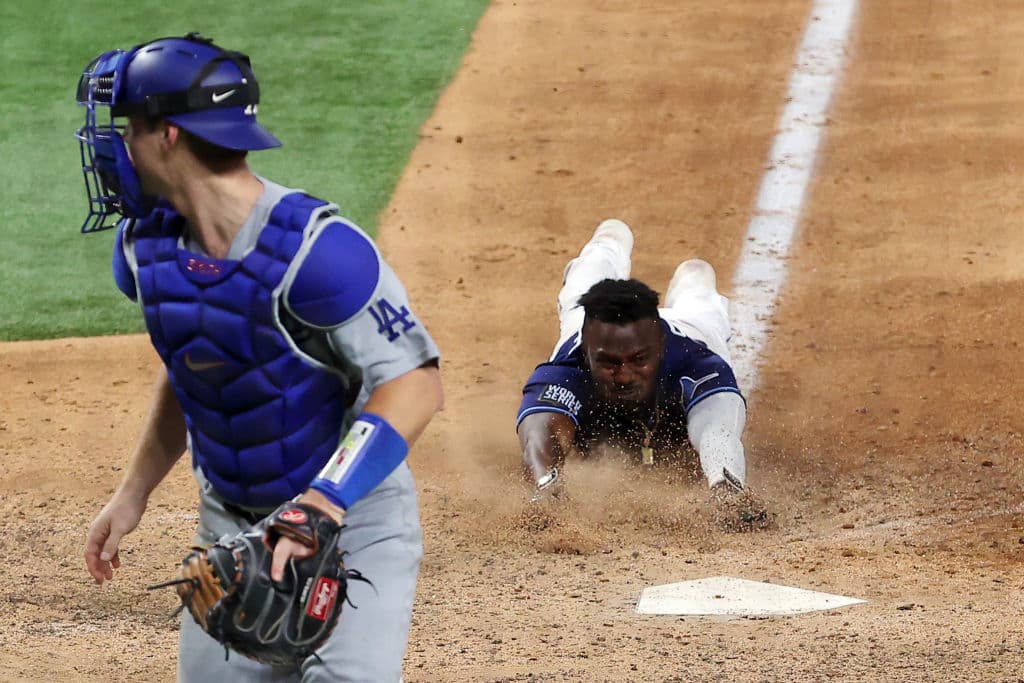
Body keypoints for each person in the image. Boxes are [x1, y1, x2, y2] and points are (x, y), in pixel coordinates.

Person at [75, 33, 443, 681]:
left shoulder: (317, 251)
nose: (117, 145)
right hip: (231, 535)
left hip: (348, 524)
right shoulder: (144, 247)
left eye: (130, 126)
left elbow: (414, 383)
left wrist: (322, 504)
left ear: (169, 136)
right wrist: (133, 493)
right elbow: (195, 365)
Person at [516, 219, 766, 527]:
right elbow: (541, 432)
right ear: (587, 352)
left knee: (699, 278)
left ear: (660, 346)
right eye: (609, 363)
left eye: (638, 360)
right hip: (589, 321)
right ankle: (612, 236)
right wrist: (546, 488)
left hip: (694, 324)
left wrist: (726, 490)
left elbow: (718, 431)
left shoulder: (698, 362)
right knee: (585, 279)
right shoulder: (568, 368)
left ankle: (689, 278)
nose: (624, 375)